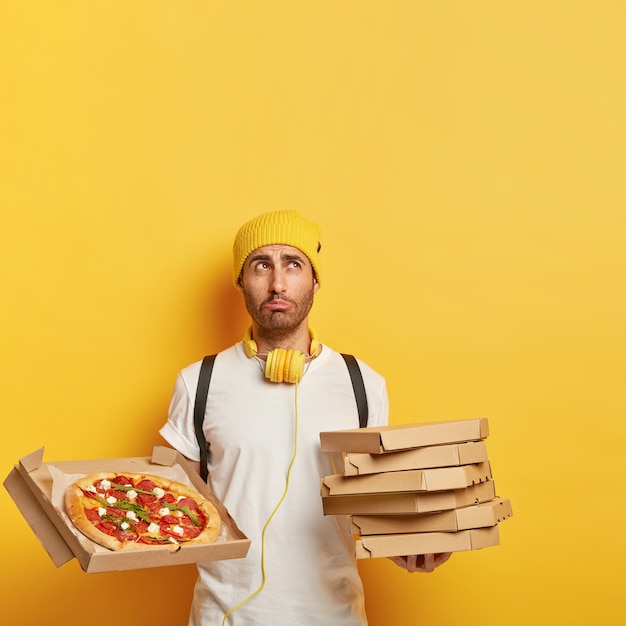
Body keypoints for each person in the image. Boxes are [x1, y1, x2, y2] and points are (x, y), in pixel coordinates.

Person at [159, 210, 451, 626]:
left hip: (336, 616)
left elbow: (378, 506)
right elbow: (175, 508)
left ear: (314, 280)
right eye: (261, 265)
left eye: (293, 264)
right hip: (224, 618)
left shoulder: (363, 383)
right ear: (241, 282)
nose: (277, 283)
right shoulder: (197, 382)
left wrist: (415, 542)